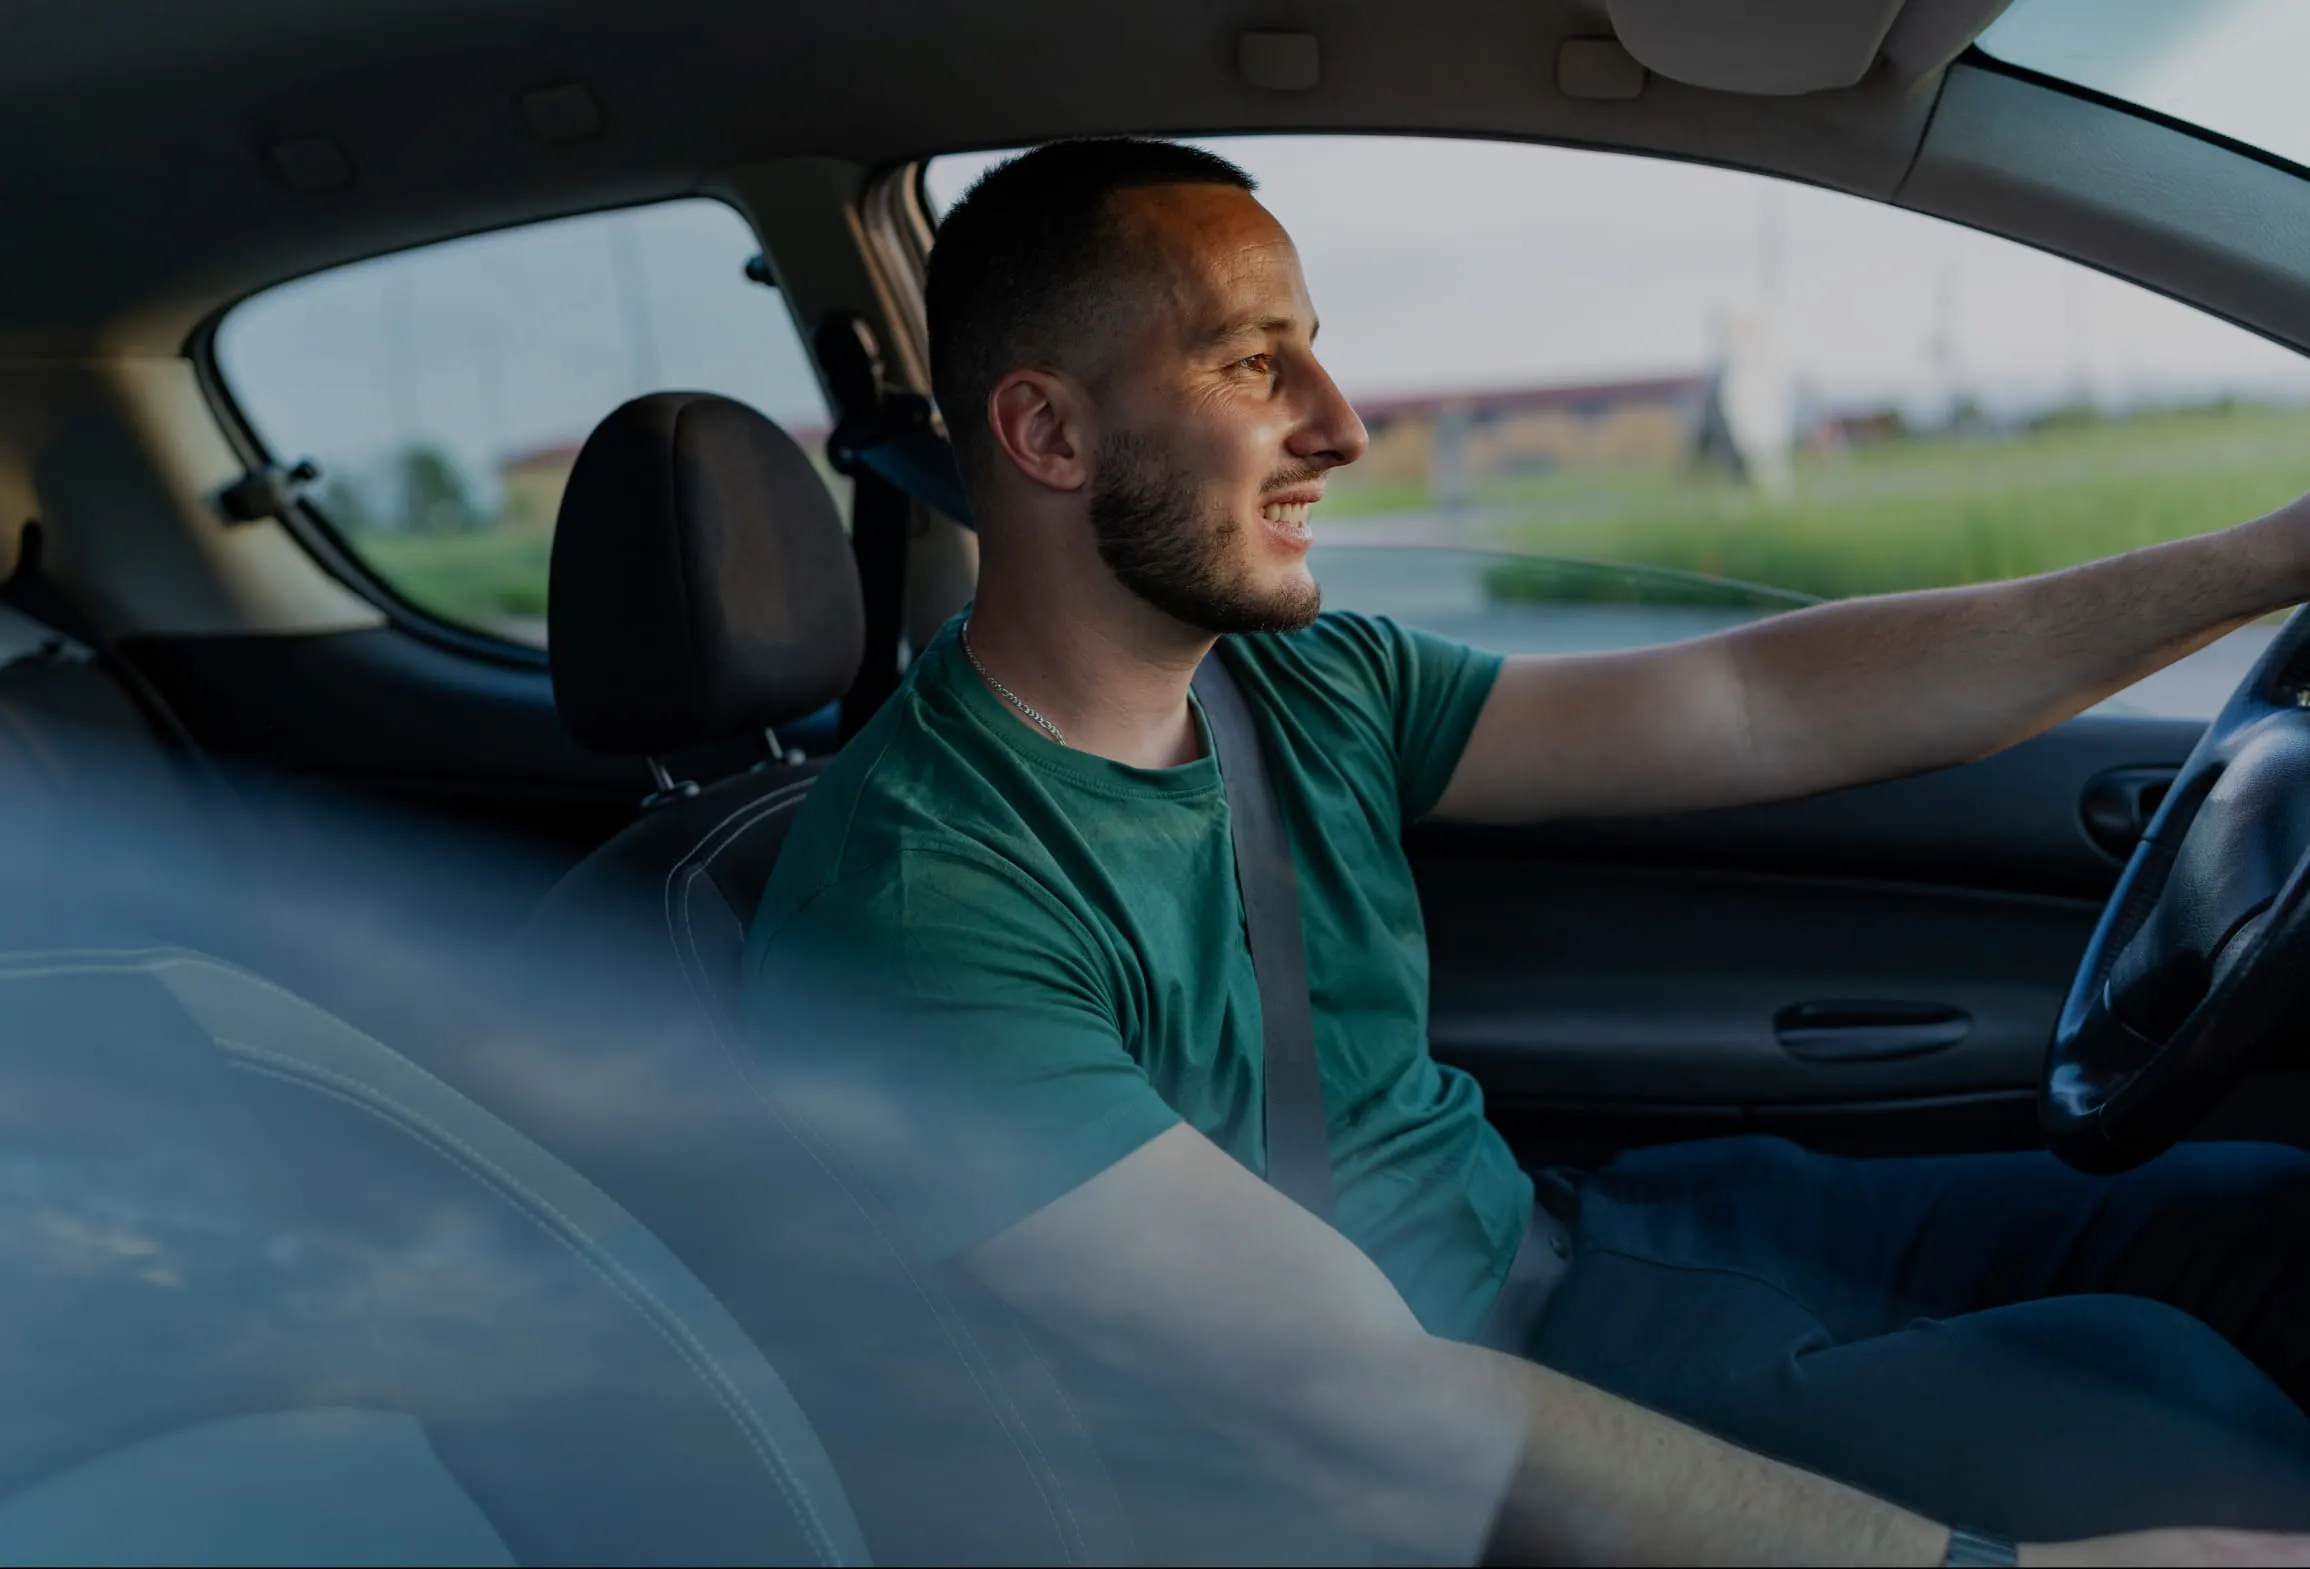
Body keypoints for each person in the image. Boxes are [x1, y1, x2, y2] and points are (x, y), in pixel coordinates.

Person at [746, 137, 2310, 1565]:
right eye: (1250, 363)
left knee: (2268, 1226)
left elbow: (1748, 699)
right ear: (1045, 431)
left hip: (1567, 1235)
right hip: (1436, 1429)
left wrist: (2261, 561)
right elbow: (1340, 1395)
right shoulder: (910, 909)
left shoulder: (1289, 682)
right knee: (2173, 1420)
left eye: (1315, 350)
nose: (1340, 424)